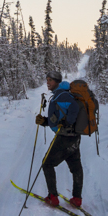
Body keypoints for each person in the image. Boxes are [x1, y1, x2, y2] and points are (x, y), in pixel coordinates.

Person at [35, 70, 84, 208]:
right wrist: (44, 121)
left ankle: (53, 197)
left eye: (50, 80)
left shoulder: (61, 94)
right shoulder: (62, 94)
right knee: (75, 167)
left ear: (57, 81)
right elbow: (58, 118)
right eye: (47, 79)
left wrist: (68, 122)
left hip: (64, 137)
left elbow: (73, 108)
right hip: (73, 137)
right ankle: (77, 198)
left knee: (47, 164)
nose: (48, 82)